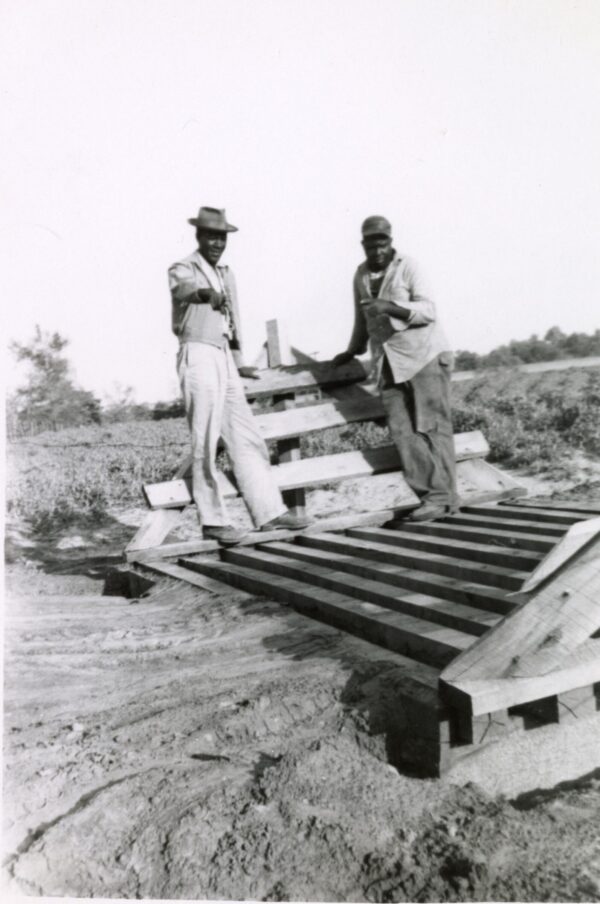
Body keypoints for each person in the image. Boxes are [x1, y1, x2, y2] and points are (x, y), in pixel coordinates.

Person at [168, 206, 309, 545]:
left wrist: (238, 359)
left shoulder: (226, 272)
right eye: (211, 236)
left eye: (222, 237)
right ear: (198, 236)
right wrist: (203, 294)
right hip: (198, 353)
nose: (217, 243)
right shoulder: (183, 267)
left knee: (246, 436)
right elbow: (183, 290)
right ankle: (214, 521)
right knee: (205, 440)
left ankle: (269, 512)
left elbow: (233, 320)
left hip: (223, 357)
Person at [332, 215, 459, 521]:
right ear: (363, 245)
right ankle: (433, 497)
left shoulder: (409, 266)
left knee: (431, 428)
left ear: (390, 241)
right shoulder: (360, 275)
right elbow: (360, 318)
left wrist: (389, 307)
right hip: (388, 361)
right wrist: (352, 350)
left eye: (382, 243)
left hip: (424, 355)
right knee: (402, 432)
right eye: (370, 245)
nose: (376, 251)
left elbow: (428, 311)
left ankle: (446, 500)